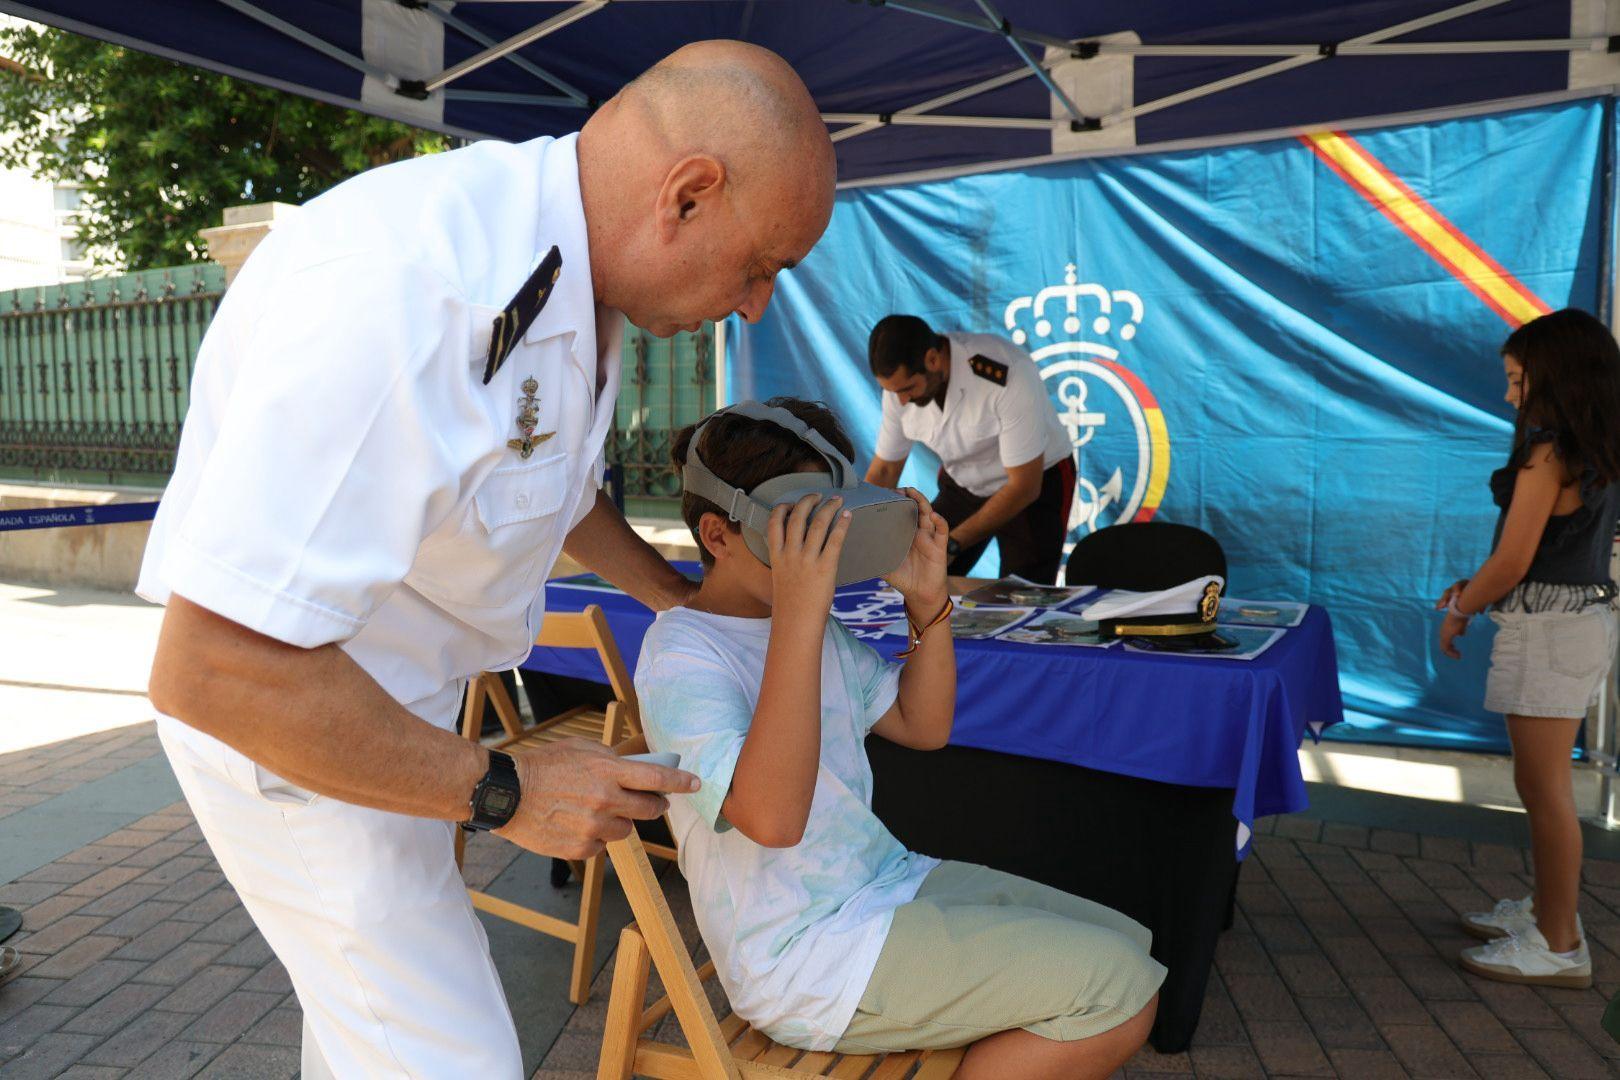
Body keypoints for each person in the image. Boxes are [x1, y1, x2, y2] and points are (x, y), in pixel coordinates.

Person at [139, 41, 836, 1077]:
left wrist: (669, 593)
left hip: (393, 713)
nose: (755, 305)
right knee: (450, 1058)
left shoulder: (568, 280)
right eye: (761, 264)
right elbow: (214, 668)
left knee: (366, 1042)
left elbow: (537, 479)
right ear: (688, 195)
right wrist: (507, 789)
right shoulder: (418, 295)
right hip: (296, 730)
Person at [637, 397, 1164, 1080]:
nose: (821, 551)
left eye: (831, 524)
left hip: (882, 882)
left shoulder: (810, 628)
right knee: (1117, 992)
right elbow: (770, 818)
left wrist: (928, 602)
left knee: (1129, 945)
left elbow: (924, 726)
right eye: (795, 530)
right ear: (718, 534)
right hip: (807, 956)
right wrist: (802, 609)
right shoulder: (683, 654)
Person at [1439, 308, 1620, 988]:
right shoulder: (1594, 446)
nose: (1510, 395)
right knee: (1540, 785)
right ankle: (1548, 911)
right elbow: (1548, 552)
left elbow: (1513, 562)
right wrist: (1478, 588)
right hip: (1574, 622)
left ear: (1556, 378)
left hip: (1550, 631)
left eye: (1518, 380)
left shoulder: (1548, 454)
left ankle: (1558, 941)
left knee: (1544, 790)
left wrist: (1461, 606)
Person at [864, 314, 1076, 583]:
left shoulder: (1007, 372)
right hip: (965, 482)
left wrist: (953, 543)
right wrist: (860, 526)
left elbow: (1024, 486)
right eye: (893, 392)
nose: (902, 400)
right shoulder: (899, 390)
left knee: (1023, 597)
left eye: (908, 389)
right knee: (917, 575)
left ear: (932, 359)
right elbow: (884, 470)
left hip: (1035, 483)